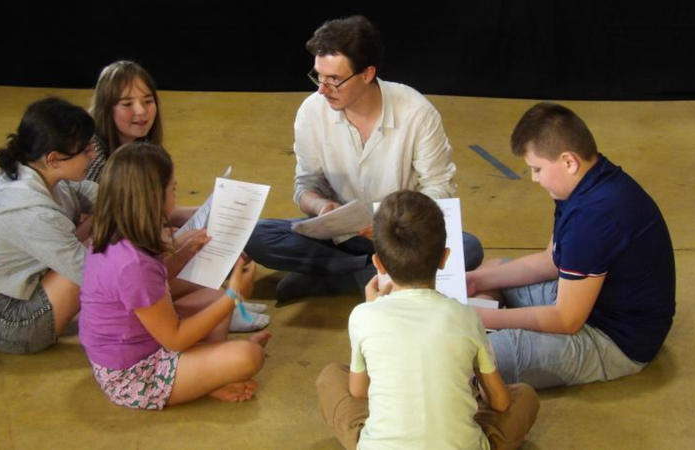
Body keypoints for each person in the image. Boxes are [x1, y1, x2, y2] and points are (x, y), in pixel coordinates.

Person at [245, 15, 483, 302]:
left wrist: (389, 222)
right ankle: (368, 274)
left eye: (334, 79)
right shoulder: (311, 111)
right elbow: (305, 186)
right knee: (255, 235)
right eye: (318, 76)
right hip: (338, 235)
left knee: (469, 249)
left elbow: (440, 191)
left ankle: (330, 276)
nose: (322, 89)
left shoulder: (417, 113)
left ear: (368, 74)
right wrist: (321, 207)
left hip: (399, 236)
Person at [466, 102, 676, 389]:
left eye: (537, 168)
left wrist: (486, 317)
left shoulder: (596, 216)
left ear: (568, 161)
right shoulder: (587, 182)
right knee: (493, 270)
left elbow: (567, 320)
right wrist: (477, 280)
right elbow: (551, 260)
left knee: (479, 357)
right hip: (586, 305)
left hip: (613, 341)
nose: (534, 179)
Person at [316, 191, 538, 449]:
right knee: (524, 396)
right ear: (445, 258)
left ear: (379, 264)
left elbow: (358, 391)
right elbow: (500, 402)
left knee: (331, 376)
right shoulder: (466, 317)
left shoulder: (363, 315)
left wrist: (371, 309)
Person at [79, 142, 271, 410]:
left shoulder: (120, 235)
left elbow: (153, 286)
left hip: (138, 343)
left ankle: (209, 371)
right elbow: (175, 338)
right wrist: (234, 296)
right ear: (154, 198)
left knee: (212, 297)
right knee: (249, 356)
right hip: (134, 375)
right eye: (173, 189)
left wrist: (182, 254)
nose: (175, 196)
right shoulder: (132, 264)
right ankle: (211, 375)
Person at [89, 60, 269, 330]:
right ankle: (214, 304)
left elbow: (149, 206)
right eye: (127, 104)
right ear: (106, 108)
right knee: (168, 237)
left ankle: (217, 299)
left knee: (196, 231)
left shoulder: (141, 144)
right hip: (107, 254)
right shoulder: (95, 156)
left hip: (130, 241)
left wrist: (203, 212)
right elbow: (113, 222)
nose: (141, 111)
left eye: (148, 101)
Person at [0, 97, 97, 354]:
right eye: (86, 149)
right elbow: (90, 273)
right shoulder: (32, 212)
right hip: (5, 319)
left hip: (18, 288)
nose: (93, 155)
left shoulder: (34, 170)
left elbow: (89, 194)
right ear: (54, 159)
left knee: (105, 229)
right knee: (106, 256)